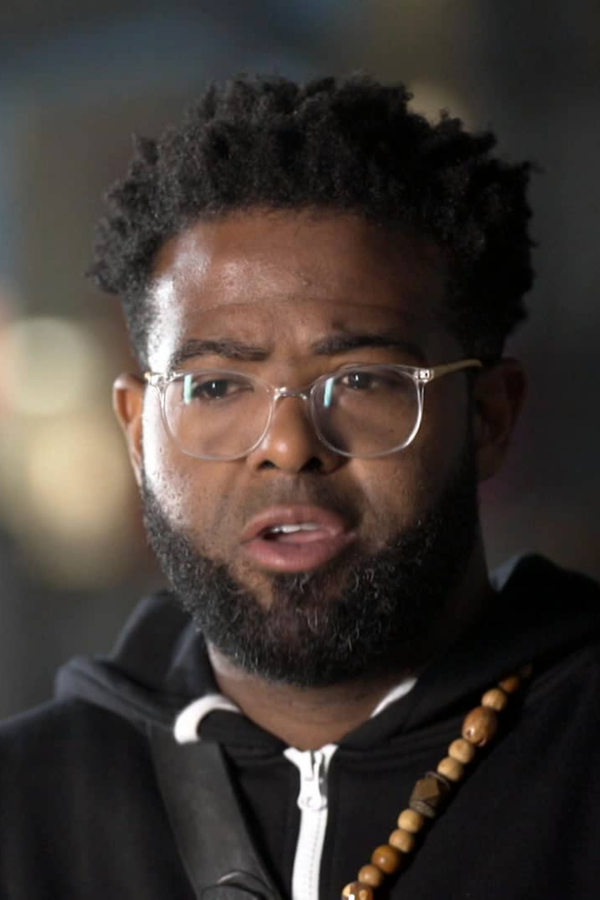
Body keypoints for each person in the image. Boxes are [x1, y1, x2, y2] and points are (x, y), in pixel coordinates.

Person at [1, 74, 599, 900]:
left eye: (361, 379)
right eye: (216, 386)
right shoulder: (24, 808)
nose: (288, 446)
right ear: (139, 433)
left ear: (489, 417)